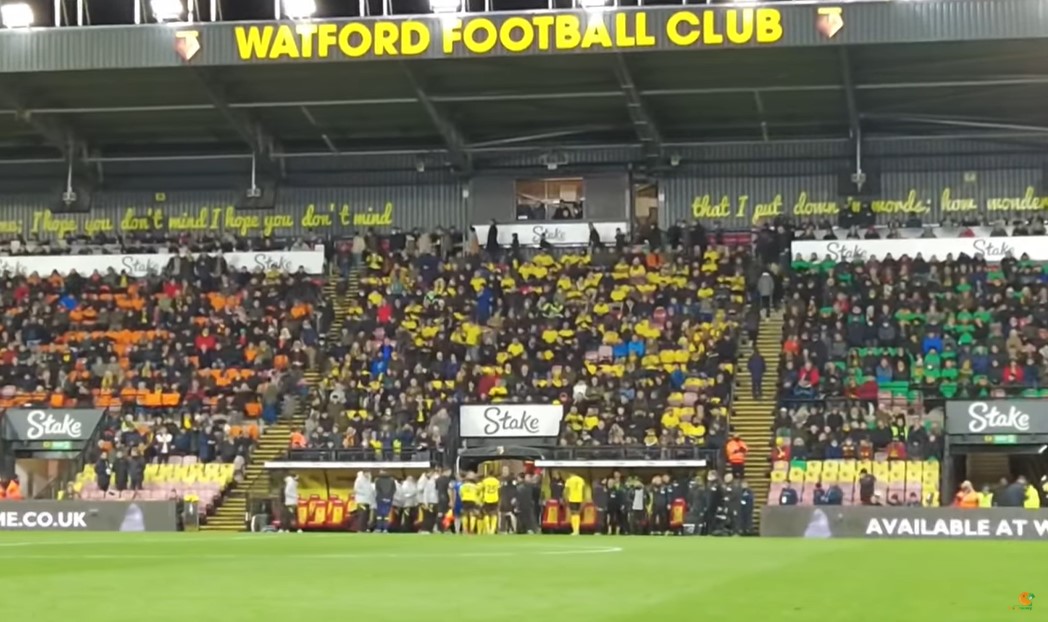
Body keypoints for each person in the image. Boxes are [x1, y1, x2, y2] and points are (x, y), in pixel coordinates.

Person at [564, 471, 586, 536]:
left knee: (573, 514)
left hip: (572, 498)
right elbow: (583, 489)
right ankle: (577, 530)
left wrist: (566, 498)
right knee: (577, 514)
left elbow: (566, 490)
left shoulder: (569, 480)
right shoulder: (581, 480)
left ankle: (575, 530)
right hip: (579, 498)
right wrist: (583, 498)